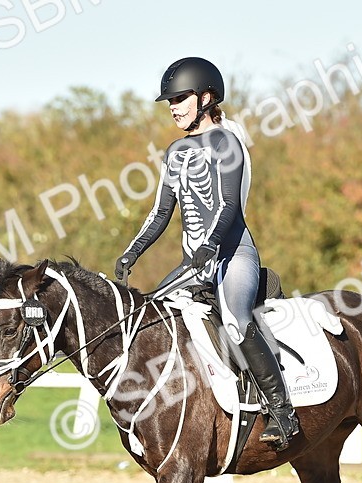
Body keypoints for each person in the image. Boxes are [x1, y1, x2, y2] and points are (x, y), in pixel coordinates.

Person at [115, 56, 300, 451]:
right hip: (194, 264)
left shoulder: (226, 142)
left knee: (234, 320)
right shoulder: (174, 152)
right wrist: (132, 253)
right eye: (170, 100)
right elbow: (161, 212)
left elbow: (229, 204)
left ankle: (282, 411)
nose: (174, 107)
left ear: (206, 97)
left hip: (232, 255)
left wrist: (210, 246)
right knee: (145, 318)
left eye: (180, 98)